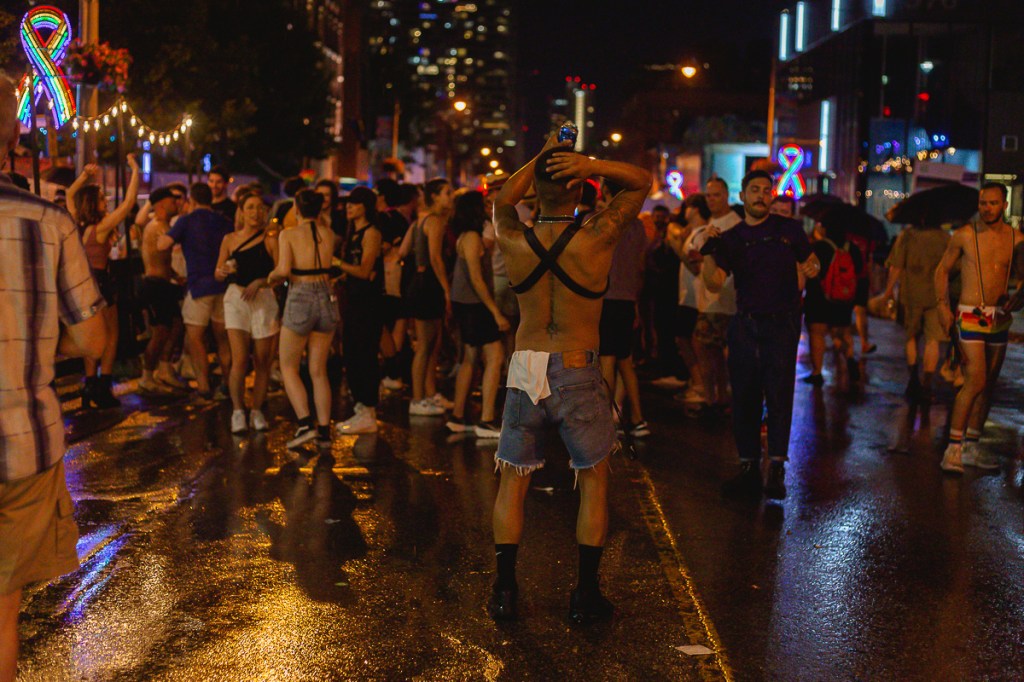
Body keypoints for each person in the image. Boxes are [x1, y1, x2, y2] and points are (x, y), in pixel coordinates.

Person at [489, 134, 650, 624]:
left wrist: (541, 157)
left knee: (513, 481)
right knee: (593, 480)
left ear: (535, 193)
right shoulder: (597, 235)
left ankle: (504, 591)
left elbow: (501, 198)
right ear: (580, 190)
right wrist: (590, 162)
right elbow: (641, 182)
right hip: (578, 366)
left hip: (526, 364)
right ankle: (584, 595)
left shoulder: (513, 236)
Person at [0, 73, 107, 681]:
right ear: (12, 138)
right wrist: (38, 343)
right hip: (24, 442)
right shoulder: (50, 221)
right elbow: (92, 340)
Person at [701, 170, 819, 500]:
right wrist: (709, 250)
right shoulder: (733, 238)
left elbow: (810, 262)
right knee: (745, 397)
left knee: (780, 395)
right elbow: (713, 283)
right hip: (746, 324)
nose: (762, 195)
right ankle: (749, 468)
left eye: (767, 190)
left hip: (782, 324)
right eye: (755, 190)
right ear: (742, 195)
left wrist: (812, 267)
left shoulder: (789, 230)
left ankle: (777, 469)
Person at [934, 183, 1023, 473]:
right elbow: (942, 269)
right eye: (983, 203)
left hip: (998, 316)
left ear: (1004, 205)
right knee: (975, 381)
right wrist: (943, 307)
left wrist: (1017, 299)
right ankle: (953, 450)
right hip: (970, 315)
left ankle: (971, 445)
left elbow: (1021, 277)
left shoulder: (1016, 239)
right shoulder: (964, 235)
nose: (987, 208)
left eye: (993, 203)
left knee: (989, 385)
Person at [65, 155, 140, 408]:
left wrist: (84, 177)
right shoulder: (102, 228)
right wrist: (134, 170)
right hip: (103, 282)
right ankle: (104, 385)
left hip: (83, 282)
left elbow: (69, 195)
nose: (105, 202)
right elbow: (129, 202)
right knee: (110, 333)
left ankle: (88, 382)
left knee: (90, 334)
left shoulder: (77, 224)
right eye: (101, 199)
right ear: (94, 203)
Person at [267, 190, 339, 448]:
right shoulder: (328, 235)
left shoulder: (289, 234)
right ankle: (323, 431)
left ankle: (305, 423)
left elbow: (284, 270)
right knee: (318, 370)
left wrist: (271, 277)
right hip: (326, 296)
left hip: (301, 296)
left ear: (296, 208)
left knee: (288, 366)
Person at [159, 182, 234, 398]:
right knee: (223, 339)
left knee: (195, 338)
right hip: (222, 285)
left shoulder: (186, 221)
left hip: (198, 285)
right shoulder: (224, 221)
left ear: (192, 200)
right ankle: (228, 385)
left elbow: (163, 245)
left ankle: (203, 387)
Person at [446, 191, 510, 439]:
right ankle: (486, 419)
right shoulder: (472, 237)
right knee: (494, 356)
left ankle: (458, 416)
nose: (486, 208)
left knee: (470, 359)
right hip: (475, 305)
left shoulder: (467, 236)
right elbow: (476, 278)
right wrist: (495, 312)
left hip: (465, 303)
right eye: (482, 205)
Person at [214, 191, 279, 434]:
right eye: (250, 207)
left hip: (263, 299)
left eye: (260, 208)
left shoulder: (271, 239)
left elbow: (279, 273)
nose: (255, 212)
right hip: (236, 298)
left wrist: (261, 281)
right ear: (241, 211)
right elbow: (217, 270)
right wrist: (221, 272)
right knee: (239, 359)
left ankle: (257, 410)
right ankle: (238, 411)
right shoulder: (230, 239)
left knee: (262, 361)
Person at [683, 178, 742, 416]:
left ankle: (718, 399)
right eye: (708, 195)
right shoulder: (709, 224)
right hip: (706, 298)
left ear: (727, 195)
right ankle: (715, 398)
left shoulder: (734, 225)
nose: (712, 200)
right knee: (709, 352)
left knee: (714, 352)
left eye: (716, 195)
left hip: (725, 299)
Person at [598, 183, 650, 438]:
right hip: (628, 299)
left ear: (606, 193)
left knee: (606, 358)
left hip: (605, 297)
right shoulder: (638, 226)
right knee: (626, 361)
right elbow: (640, 267)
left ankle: (606, 418)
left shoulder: (599, 221)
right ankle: (638, 417)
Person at [334, 186, 386, 435]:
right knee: (352, 353)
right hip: (353, 301)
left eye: (353, 204)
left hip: (368, 303)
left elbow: (365, 271)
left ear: (364, 206)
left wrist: (335, 263)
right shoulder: (352, 233)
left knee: (364, 353)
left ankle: (368, 409)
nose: (348, 208)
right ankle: (361, 407)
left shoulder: (371, 233)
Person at [883, 221, 950, 407]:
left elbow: (896, 266)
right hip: (936, 296)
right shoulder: (945, 237)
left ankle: (913, 380)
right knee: (932, 340)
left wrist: (888, 292)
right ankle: (927, 385)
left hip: (911, 295)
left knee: (911, 337)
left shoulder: (907, 235)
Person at [404, 178, 454, 416]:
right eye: (446, 193)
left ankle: (428, 392)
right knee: (425, 345)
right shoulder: (433, 221)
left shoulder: (419, 221)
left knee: (432, 343)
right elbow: (436, 257)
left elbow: (403, 251)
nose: (450, 197)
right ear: (434, 196)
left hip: (420, 282)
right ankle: (417, 399)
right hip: (428, 285)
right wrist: (446, 289)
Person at [802, 212, 864, 386]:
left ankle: (817, 372)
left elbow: (809, 271)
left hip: (818, 298)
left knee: (817, 334)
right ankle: (850, 357)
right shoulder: (852, 247)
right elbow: (858, 271)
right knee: (843, 332)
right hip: (843, 299)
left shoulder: (819, 247)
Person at [139, 187, 185, 394]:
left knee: (176, 325)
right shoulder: (157, 227)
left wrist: (176, 275)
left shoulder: (165, 225)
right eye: (171, 201)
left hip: (165, 284)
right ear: (161, 205)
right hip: (154, 285)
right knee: (160, 332)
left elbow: (164, 260)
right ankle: (146, 377)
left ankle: (165, 369)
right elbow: (158, 251)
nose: (176, 203)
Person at [666, 194, 711, 405]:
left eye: (687, 206)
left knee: (690, 342)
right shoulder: (693, 232)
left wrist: (677, 247)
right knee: (685, 340)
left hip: (696, 298)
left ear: (695, 208)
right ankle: (699, 384)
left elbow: (696, 267)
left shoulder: (702, 234)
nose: (685, 210)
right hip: (688, 296)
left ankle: (701, 385)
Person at [379, 183, 419, 391]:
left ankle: (393, 367)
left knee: (396, 321)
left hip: (397, 277)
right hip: (397, 277)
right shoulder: (399, 219)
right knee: (397, 321)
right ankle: (392, 368)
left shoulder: (398, 218)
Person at [645, 205, 685, 388]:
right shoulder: (656, 236)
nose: (659, 219)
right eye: (656, 215)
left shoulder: (670, 237)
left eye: (662, 216)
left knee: (666, 330)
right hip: (659, 290)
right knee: (660, 329)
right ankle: (664, 365)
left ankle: (669, 368)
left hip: (668, 290)